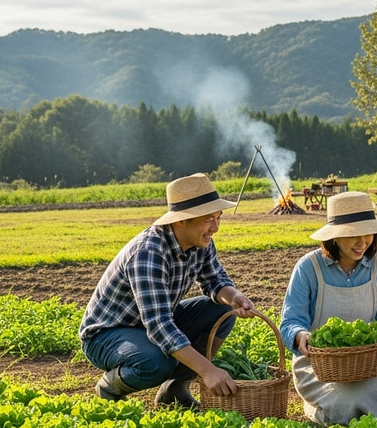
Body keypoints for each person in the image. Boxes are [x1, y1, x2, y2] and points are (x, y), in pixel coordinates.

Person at [80, 173, 259, 408]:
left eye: (218, 217)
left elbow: (215, 280)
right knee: (156, 363)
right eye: (208, 219)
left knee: (222, 313)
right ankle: (109, 388)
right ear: (180, 220)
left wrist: (234, 297)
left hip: (146, 325)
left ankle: (174, 390)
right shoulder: (148, 253)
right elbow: (158, 324)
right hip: (108, 333)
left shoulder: (200, 241)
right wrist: (208, 370)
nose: (215, 227)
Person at [280, 191, 377, 426]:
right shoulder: (308, 267)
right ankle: (325, 412)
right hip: (319, 365)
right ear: (334, 237)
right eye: (354, 235)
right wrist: (302, 337)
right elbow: (290, 321)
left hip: (369, 359)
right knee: (352, 395)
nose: (363, 242)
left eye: (368, 233)